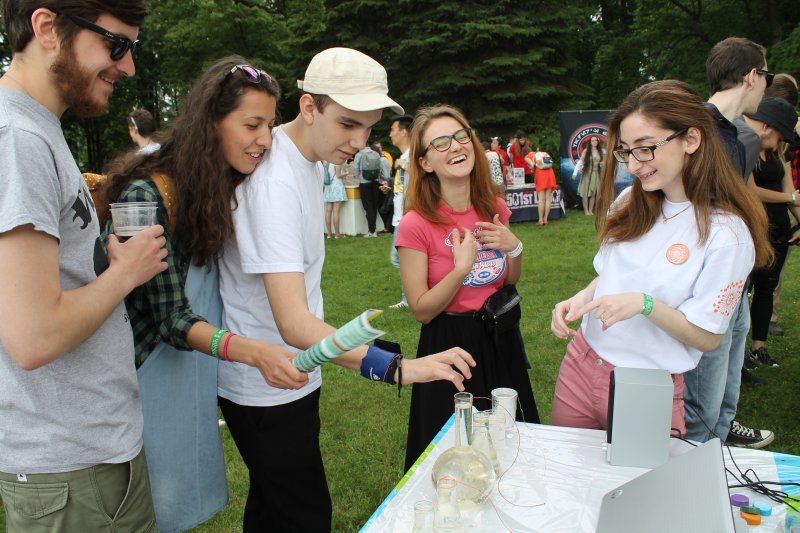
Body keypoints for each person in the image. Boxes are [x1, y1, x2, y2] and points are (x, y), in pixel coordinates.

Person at [216, 47, 476, 533]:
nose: (359, 142)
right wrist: (395, 367)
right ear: (309, 107)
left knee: (277, 511)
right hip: (266, 382)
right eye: (348, 124)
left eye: (368, 127)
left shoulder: (306, 160)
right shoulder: (273, 184)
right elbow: (293, 323)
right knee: (303, 517)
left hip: (294, 371)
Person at [102, 56, 292, 532]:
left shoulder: (217, 185)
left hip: (192, 373)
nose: (266, 139)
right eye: (253, 124)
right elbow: (170, 319)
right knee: (145, 509)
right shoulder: (147, 196)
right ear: (211, 122)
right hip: (144, 377)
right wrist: (254, 352)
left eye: (270, 126)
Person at [0, 3, 168, 531]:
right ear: (47, 28)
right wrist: (124, 274)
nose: (128, 67)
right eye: (116, 45)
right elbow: (34, 337)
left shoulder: (38, 128)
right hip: (70, 468)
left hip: (90, 454)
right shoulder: (19, 140)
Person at [550, 80, 771, 436]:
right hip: (581, 363)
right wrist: (580, 299)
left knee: (639, 474)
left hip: (646, 386)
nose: (633, 165)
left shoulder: (727, 234)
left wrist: (646, 305)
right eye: (626, 151)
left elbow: (708, 337)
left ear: (691, 139)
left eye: (645, 148)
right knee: (566, 468)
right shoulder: (628, 202)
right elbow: (608, 276)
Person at [397, 104, 539, 471]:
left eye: (461, 136)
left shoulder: (493, 206)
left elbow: (508, 280)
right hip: (450, 347)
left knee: (509, 446)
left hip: (500, 338)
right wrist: (461, 268)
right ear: (425, 162)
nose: (456, 146)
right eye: (441, 143)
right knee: (453, 457)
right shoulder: (416, 224)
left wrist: (515, 248)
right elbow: (421, 309)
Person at [684, 36, 773, 448]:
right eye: (766, 75)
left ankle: (718, 449)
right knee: (702, 399)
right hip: (706, 281)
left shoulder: (736, 135)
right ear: (753, 76)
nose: (766, 86)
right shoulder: (698, 132)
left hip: (736, 281)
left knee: (726, 387)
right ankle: (697, 458)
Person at [742, 98, 800, 369]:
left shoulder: (778, 155)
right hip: (754, 229)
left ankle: (759, 347)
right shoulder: (748, 148)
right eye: (780, 135)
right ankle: (739, 352)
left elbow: (791, 194)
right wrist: (790, 196)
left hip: (779, 230)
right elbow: (753, 191)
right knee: (744, 289)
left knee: (767, 287)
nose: (780, 143)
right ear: (768, 126)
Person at [388, 113, 414, 309]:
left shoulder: (413, 155)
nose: (390, 134)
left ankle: (410, 297)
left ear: (404, 132)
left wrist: (403, 165)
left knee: (400, 258)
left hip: (408, 217)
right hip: (401, 217)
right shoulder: (404, 157)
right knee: (400, 258)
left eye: (393, 130)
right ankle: (409, 297)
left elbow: (422, 173)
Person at [355, 143, 388, 237]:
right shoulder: (376, 154)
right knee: (374, 205)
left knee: (368, 206)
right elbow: (380, 168)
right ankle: (373, 230)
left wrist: (358, 177)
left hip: (364, 182)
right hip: (375, 182)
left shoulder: (359, 155)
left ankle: (372, 230)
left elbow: (356, 168)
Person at [573, 136, 604, 215]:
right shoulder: (586, 151)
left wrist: (602, 164)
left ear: (598, 142)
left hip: (596, 174)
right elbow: (580, 162)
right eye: (592, 140)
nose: (594, 142)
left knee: (593, 193)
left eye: (596, 140)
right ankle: (586, 210)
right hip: (587, 174)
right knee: (585, 193)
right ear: (590, 142)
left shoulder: (600, 152)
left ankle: (590, 210)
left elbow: (602, 163)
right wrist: (575, 173)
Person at [533, 148, 558, 225]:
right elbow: (550, 163)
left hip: (541, 174)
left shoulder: (535, 155)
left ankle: (540, 220)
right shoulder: (546, 154)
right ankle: (545, 219)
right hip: (549, 174)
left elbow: (537, 163)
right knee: (548, 198)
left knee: (541, 199)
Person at [323, 159, 347, 238]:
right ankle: (337, 234)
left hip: (328, 186)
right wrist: (346, 173)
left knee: (328, 211)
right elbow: (338, 175)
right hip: (336, 186)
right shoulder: (336, 161)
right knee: (336, 211)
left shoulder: (325, 161)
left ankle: (329, 234)